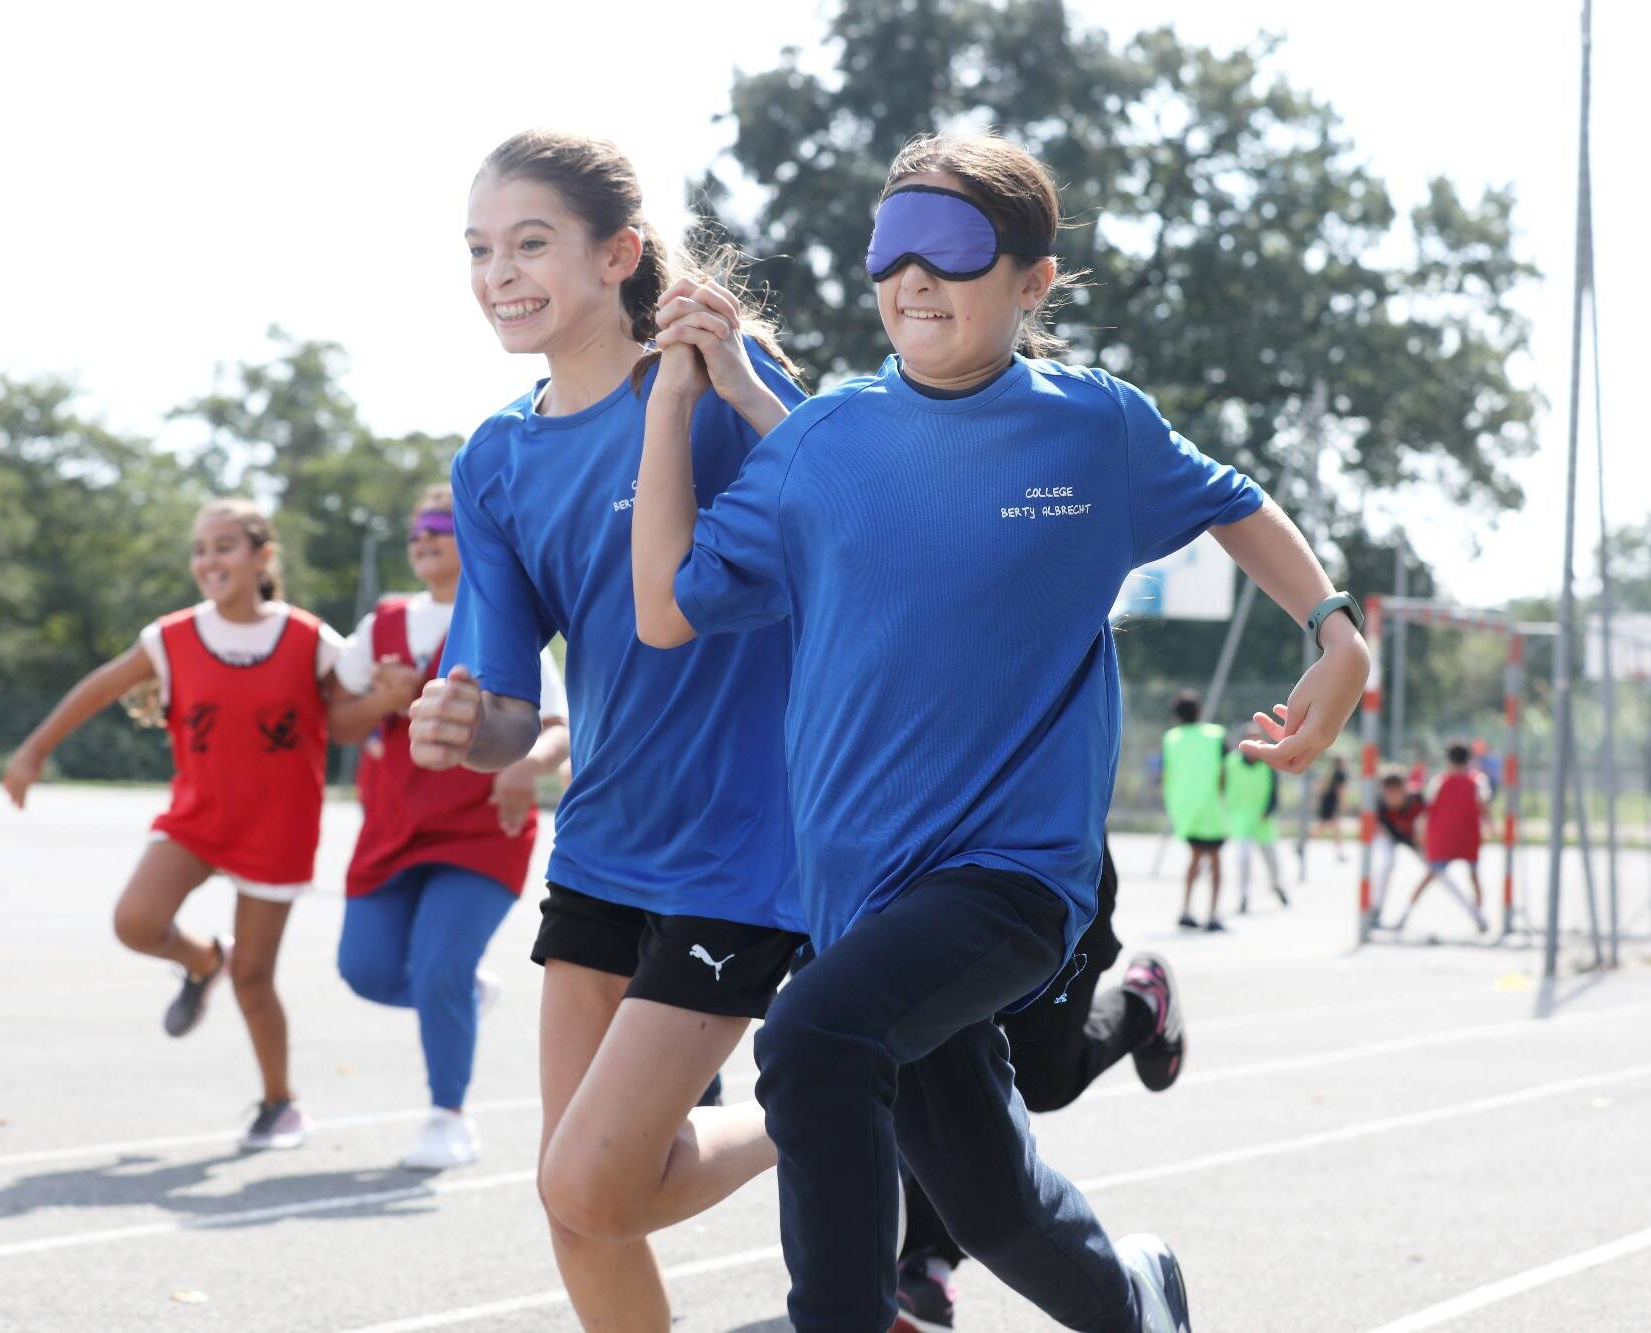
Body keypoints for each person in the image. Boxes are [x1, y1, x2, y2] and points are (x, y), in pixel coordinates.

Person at [632, 130, 1370, 1333]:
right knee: (986, 1201)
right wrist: (675, 397)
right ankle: (1139, 1298)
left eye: (952, 251)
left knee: (811, 1031)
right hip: (858, 897)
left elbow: (1235, 502)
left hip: (1012, 881)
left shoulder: (1095, 431)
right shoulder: (820, 443)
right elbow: (665, 607)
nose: (911, 277)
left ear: (1031, 281)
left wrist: (1335, 632)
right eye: (888, 252)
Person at [405, 130, 807, 1330]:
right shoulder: (495, 458)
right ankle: (832, 1104)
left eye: (529, 243)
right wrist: (466, 726)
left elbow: (861, 512)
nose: (497, 274)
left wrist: (731, 378)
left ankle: (835, 1098)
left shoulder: (716, 385)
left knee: (591, 1177)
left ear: (616, 254)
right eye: (478, 249)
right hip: (600, 842)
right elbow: (510, 706)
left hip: (747, 848)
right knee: (577, 1207)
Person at [3, 499, 343, 1150]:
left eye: (224, 546)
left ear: (261, 555)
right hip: (198, 816)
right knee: (135, 920)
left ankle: (280, 1102)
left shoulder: (310, 638)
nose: (208, 560)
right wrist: (34, 748)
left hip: (279, 824)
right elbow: (101, 686)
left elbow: (361, 707)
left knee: (256, 977)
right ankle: (201, 960)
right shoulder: (171, 636)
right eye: (200, 549)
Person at [331, 485, 571, 1170]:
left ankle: (449, 1117)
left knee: (438, 964)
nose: (424, 535)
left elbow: (555, 727)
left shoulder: (502, 617)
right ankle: (461, 994)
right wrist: (377, 699)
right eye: (416, 528)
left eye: (441, 524)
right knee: (366, 970)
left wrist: (527, 766)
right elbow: (337, 722)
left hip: (479, 832)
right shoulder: (379, 627)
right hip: (392, 829)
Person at [894, 842, 1184, 1331]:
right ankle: (925, 1260)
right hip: (916, 873)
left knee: (1043, 1079)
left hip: (1050, 873)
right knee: (927, 1064)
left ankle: (1140, 1007)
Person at [1390, 743, 1491, 933]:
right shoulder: (1478, 780)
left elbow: (1427, 808)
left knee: (1429, 877)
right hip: (1468, 835)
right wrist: (1490, 827)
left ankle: (1404, 915)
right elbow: (1483, 805)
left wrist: (1421, 832)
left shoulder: (1440, 780)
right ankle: (1479, 917)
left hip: (1443, 836)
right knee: (1474, 877)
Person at [1163, 691, 1228, 931]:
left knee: (1194, 858)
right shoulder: (1215, 735)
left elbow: (1168, 774)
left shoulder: (1171, 738)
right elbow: (1225, 771)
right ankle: (1213, 914)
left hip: (1186, 809)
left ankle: (1186, 909)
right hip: (1213, 808)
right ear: (1199, 711)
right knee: (1216, 860)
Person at [1225, 729, 1288, 913]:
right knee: (1243, 857)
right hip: (1241, 817)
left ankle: (1276, 884)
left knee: (1271, 859)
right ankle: (1244, 894)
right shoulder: (1231, 763)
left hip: (1263, 818)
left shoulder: (1268, 763)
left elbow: (1275, 791)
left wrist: (1269, 810)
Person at [1370, 770, 1427, 922]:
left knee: (1437, 867)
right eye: (1389, 793)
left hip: (1413, 837)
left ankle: (1475, 914)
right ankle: (1376, 910)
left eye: (1396, 792)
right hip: (1390, 837)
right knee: (1385, 863)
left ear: (1404, 789)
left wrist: (1421, 833)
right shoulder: (1380, 805)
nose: (1392, 798)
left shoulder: (1417, 798)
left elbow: (1429, 817)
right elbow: (1383, 830)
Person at [1316, 756, 1349, 861]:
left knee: (1326, 826)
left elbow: (1321, 786)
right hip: (1332, 802)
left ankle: (1301, 845)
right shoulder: (1340, 773)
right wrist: (1342, 803)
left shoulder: (1331, 772)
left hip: (1327, 801)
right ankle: (1339, 853)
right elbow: (1340, 790)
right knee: (1335, 828)